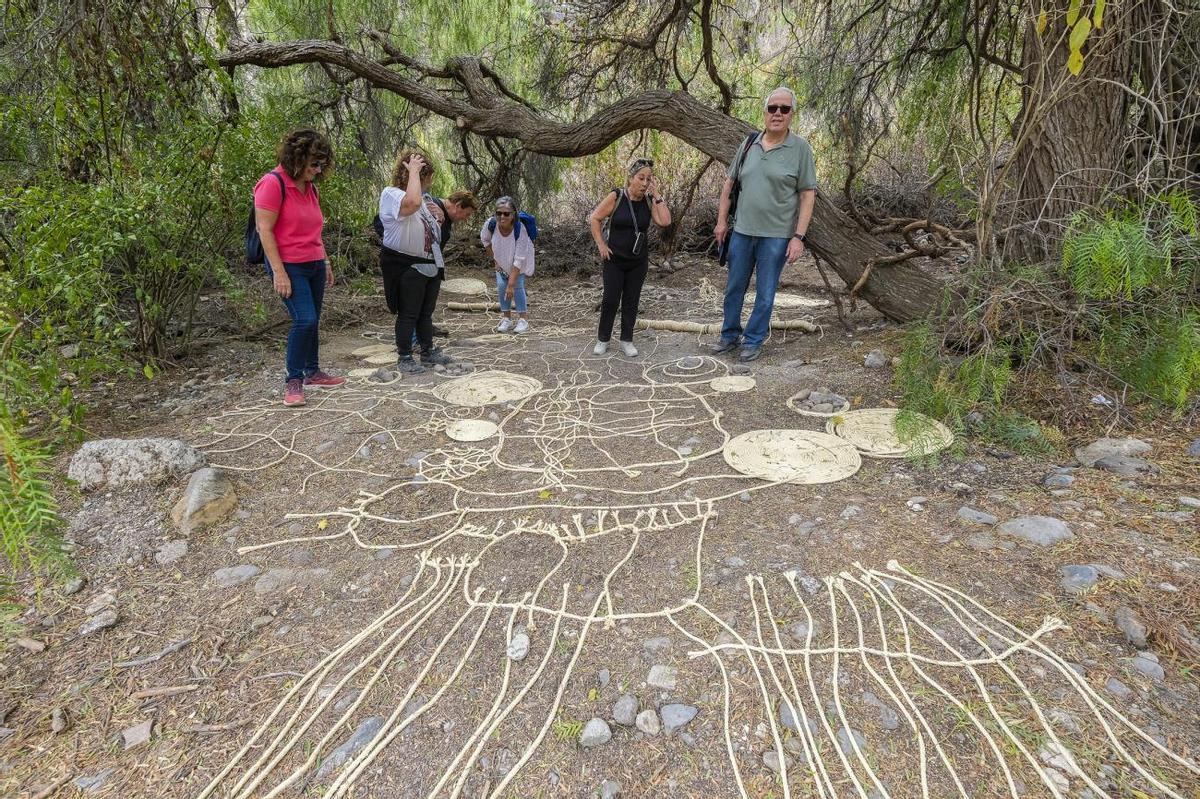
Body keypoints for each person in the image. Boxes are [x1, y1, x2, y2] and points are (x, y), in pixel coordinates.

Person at [712, 87, 818, 361]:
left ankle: (754, 340)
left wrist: (799, 237)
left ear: (792, 114)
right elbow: (730, 184)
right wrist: (722, 221)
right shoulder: (749, 143)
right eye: (773, 108)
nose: (778, 114)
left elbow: (807, 194)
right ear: (765, 112)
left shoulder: (800, 149)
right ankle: (729, 335)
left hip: (776, 236)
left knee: (766, 292)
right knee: (734, 287)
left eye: (784, 109)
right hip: (742, 232)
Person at [254, 128, 345, 407]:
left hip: (314, 262)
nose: (317, 170)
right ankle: (293, 380)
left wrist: (326, 260)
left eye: (321, 165)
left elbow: (315, 228)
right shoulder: (273, 183)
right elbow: (264, 230)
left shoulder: (311, 188)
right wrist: (278, 272)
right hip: (289, 264)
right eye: (313, 163)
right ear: (297, 158)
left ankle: (313, 371)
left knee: (313, 319)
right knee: (304, 319)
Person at [378, 150, 477, 373]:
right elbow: (411, 202)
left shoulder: (425, 201)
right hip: (405, 265)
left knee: (425, 313)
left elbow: (427, 224)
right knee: (408, 313)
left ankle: (427, 351)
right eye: (425, 180)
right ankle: (404, 356)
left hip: (429, 265)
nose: (426, 187)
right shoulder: (392, 194)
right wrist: (413, 171)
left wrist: (438, 219)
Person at [588, 157, 672, 356]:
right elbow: (595, 218)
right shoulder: (617, 197)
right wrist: (601, 244)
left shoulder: (650, 201)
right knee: (610, 299)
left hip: (638, 261)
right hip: (614, 259)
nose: (644, 183)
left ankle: (627, 339)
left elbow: (665, 221)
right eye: (641, 178)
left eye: (648, 179)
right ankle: (603, 339)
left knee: (631, 300)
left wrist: (657, 194)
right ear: (631, 178)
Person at [482, 197, 535, 334]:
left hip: (520, 262)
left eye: (506, 213)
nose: (502, 217)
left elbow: (518, 259)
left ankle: (523, 320)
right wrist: (495, 260)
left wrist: (510, 285)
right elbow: (486, 241)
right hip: (501, 261)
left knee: (517, 286)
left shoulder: (520, 229)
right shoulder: (490, 225)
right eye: (499, 213)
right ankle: (507, 318)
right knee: (501, 287)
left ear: (513, 214)